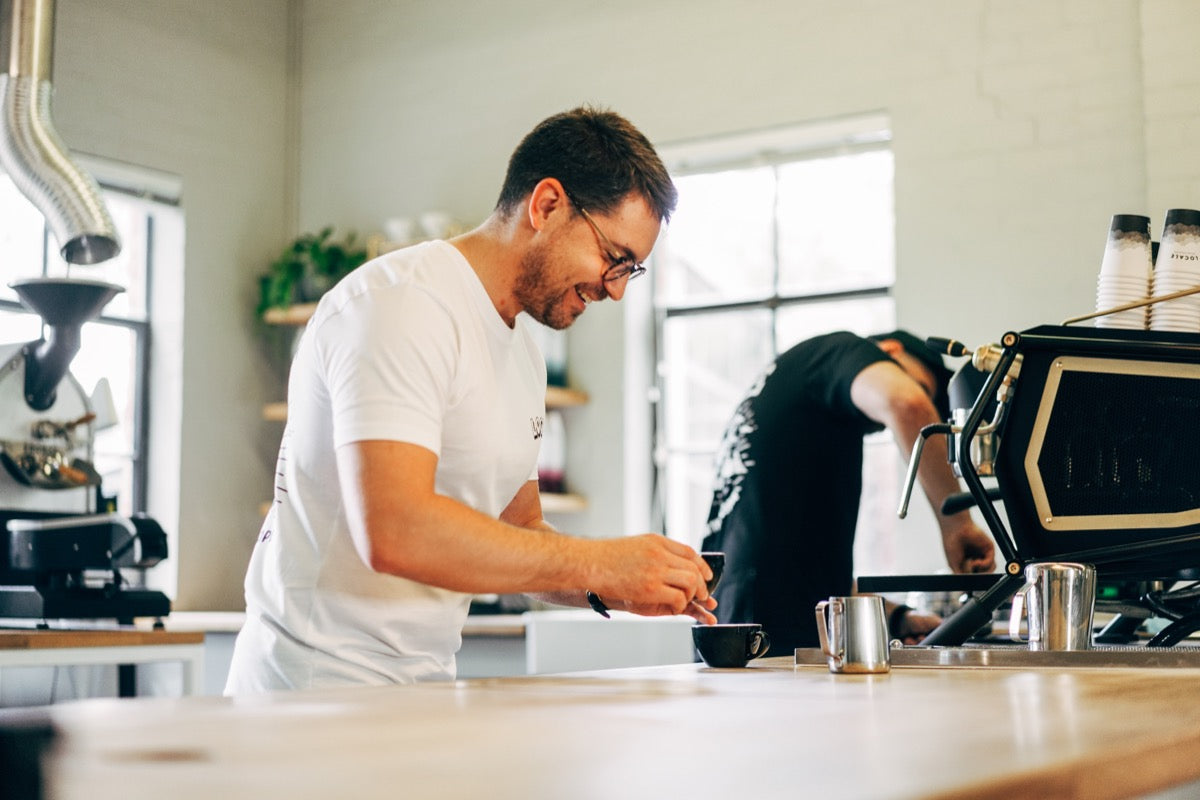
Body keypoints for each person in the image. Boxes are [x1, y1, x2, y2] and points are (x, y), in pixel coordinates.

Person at [225, 106, 716, 694]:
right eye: (614, 258)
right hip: (313, 693)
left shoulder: (523, 352)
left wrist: (623, 585)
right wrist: (599, 562)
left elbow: (524, 533)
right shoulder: (402, 305)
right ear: (547, 205)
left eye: (630, 272)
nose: (613, 290)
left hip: (423, 687)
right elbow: (395, 529)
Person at [701, 330, 996, 653]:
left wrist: (898, 618)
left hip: (737, 628)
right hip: (765, 642)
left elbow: (799, 569)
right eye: (923, 386)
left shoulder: (799, 403)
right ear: (890, 351)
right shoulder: (838, 350)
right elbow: (907, 403)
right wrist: (958, 525)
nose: (921, 400)